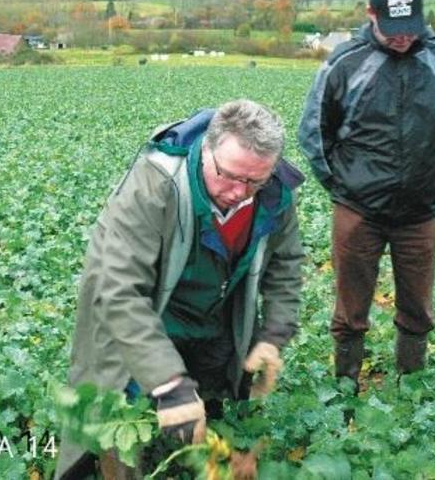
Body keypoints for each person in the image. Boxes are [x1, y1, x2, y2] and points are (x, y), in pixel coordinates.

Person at [56, 100, 305, 478]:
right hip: (145, 314)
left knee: (211, 403)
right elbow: (120, 291)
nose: (240, 192)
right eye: (229, 176)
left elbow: (286, 265)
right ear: (207, 150)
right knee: (117, 419)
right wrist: (169, 383)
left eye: (255, 180)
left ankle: (190, 454)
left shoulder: (275, 195)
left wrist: (274, 334)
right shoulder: (154, 185)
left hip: (212, 313)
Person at [298, 0, 435, 388]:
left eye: (409, 29)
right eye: (392, 30)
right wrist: (345, 187)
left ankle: (410, 386)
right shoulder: (345, 64)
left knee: (418, 309)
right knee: (350, 311)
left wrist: (424, 173)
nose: (401, 39)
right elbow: (314, 133)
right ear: (371, 15)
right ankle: (345, 386)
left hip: (420, 214)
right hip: (358, 212)